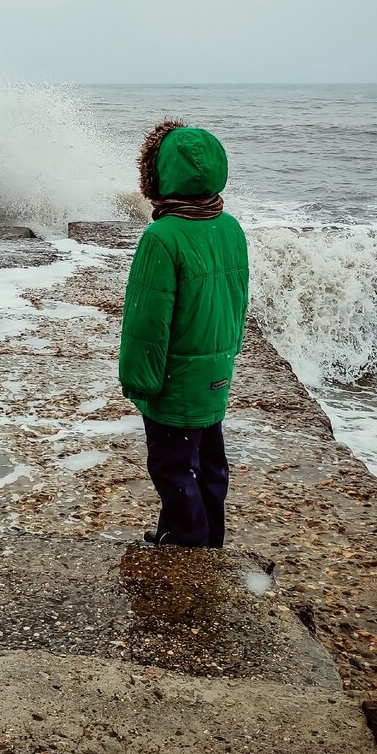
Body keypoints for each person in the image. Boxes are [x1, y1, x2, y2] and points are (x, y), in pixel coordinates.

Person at [118, 120, 249, 548]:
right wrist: (227, 357)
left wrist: (140, 381)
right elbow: (238, 301)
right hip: (215, 373)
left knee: (174, 471)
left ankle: (185, 552)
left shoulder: (162, 237)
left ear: (155, 176)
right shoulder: (228, 227)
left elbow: (147, 324)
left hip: (174, 382)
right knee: (209, 466)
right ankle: (210, 542)